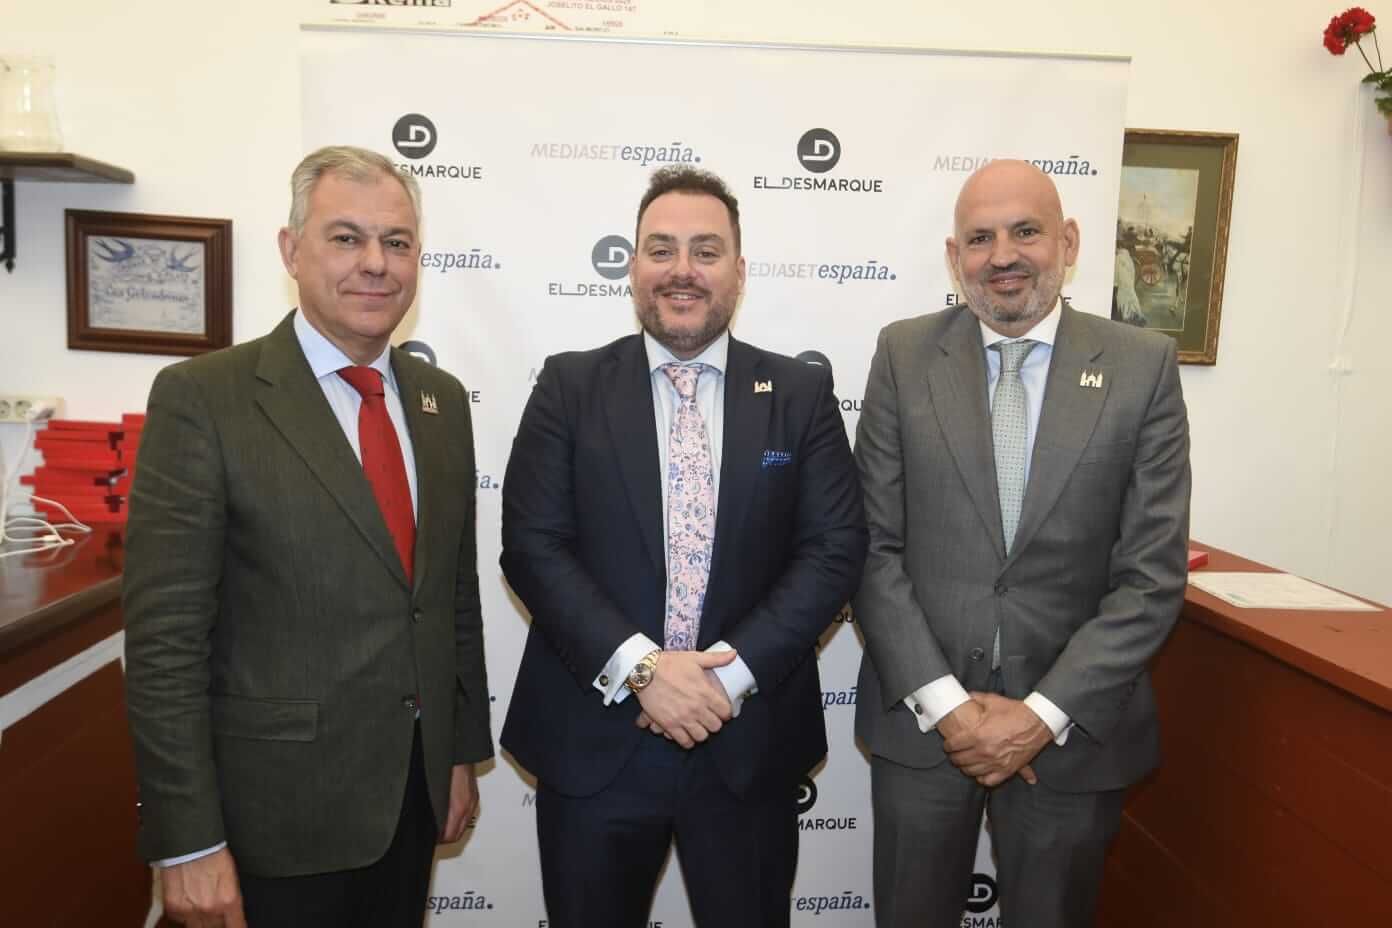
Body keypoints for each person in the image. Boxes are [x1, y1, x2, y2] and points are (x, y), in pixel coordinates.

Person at [123, 145, 493, 928]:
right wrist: (186, 841)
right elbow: (163, 644)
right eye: (346, 237)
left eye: (397, 242)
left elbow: (449, 595)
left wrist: (458, 753)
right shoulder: (204, 399)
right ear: (292, 251)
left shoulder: (440, 401)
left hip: (408, 805)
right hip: (271, 825)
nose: (376, 264)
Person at [499, 165, 867, 928]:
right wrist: (643, 670)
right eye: (660, 249)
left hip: (747, 748)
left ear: (739, 269)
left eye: (706, 250)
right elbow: (533, 547)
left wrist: (718, 685)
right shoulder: (568, 388)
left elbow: (833, 551)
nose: (682, 271)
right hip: (596, 747)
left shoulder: (797, 397)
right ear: (632, 266)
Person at [853, 159, 1191, 928]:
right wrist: (949, 709)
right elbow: (871, 548)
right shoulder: (903, 357)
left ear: (1068, 242)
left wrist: (1040, 714)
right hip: (925, 727)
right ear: (954, 257)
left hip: (1071, 736)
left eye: (1025, 231)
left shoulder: (1142, 368)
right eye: (980, 238)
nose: (1002, 254)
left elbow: (1151, 577)